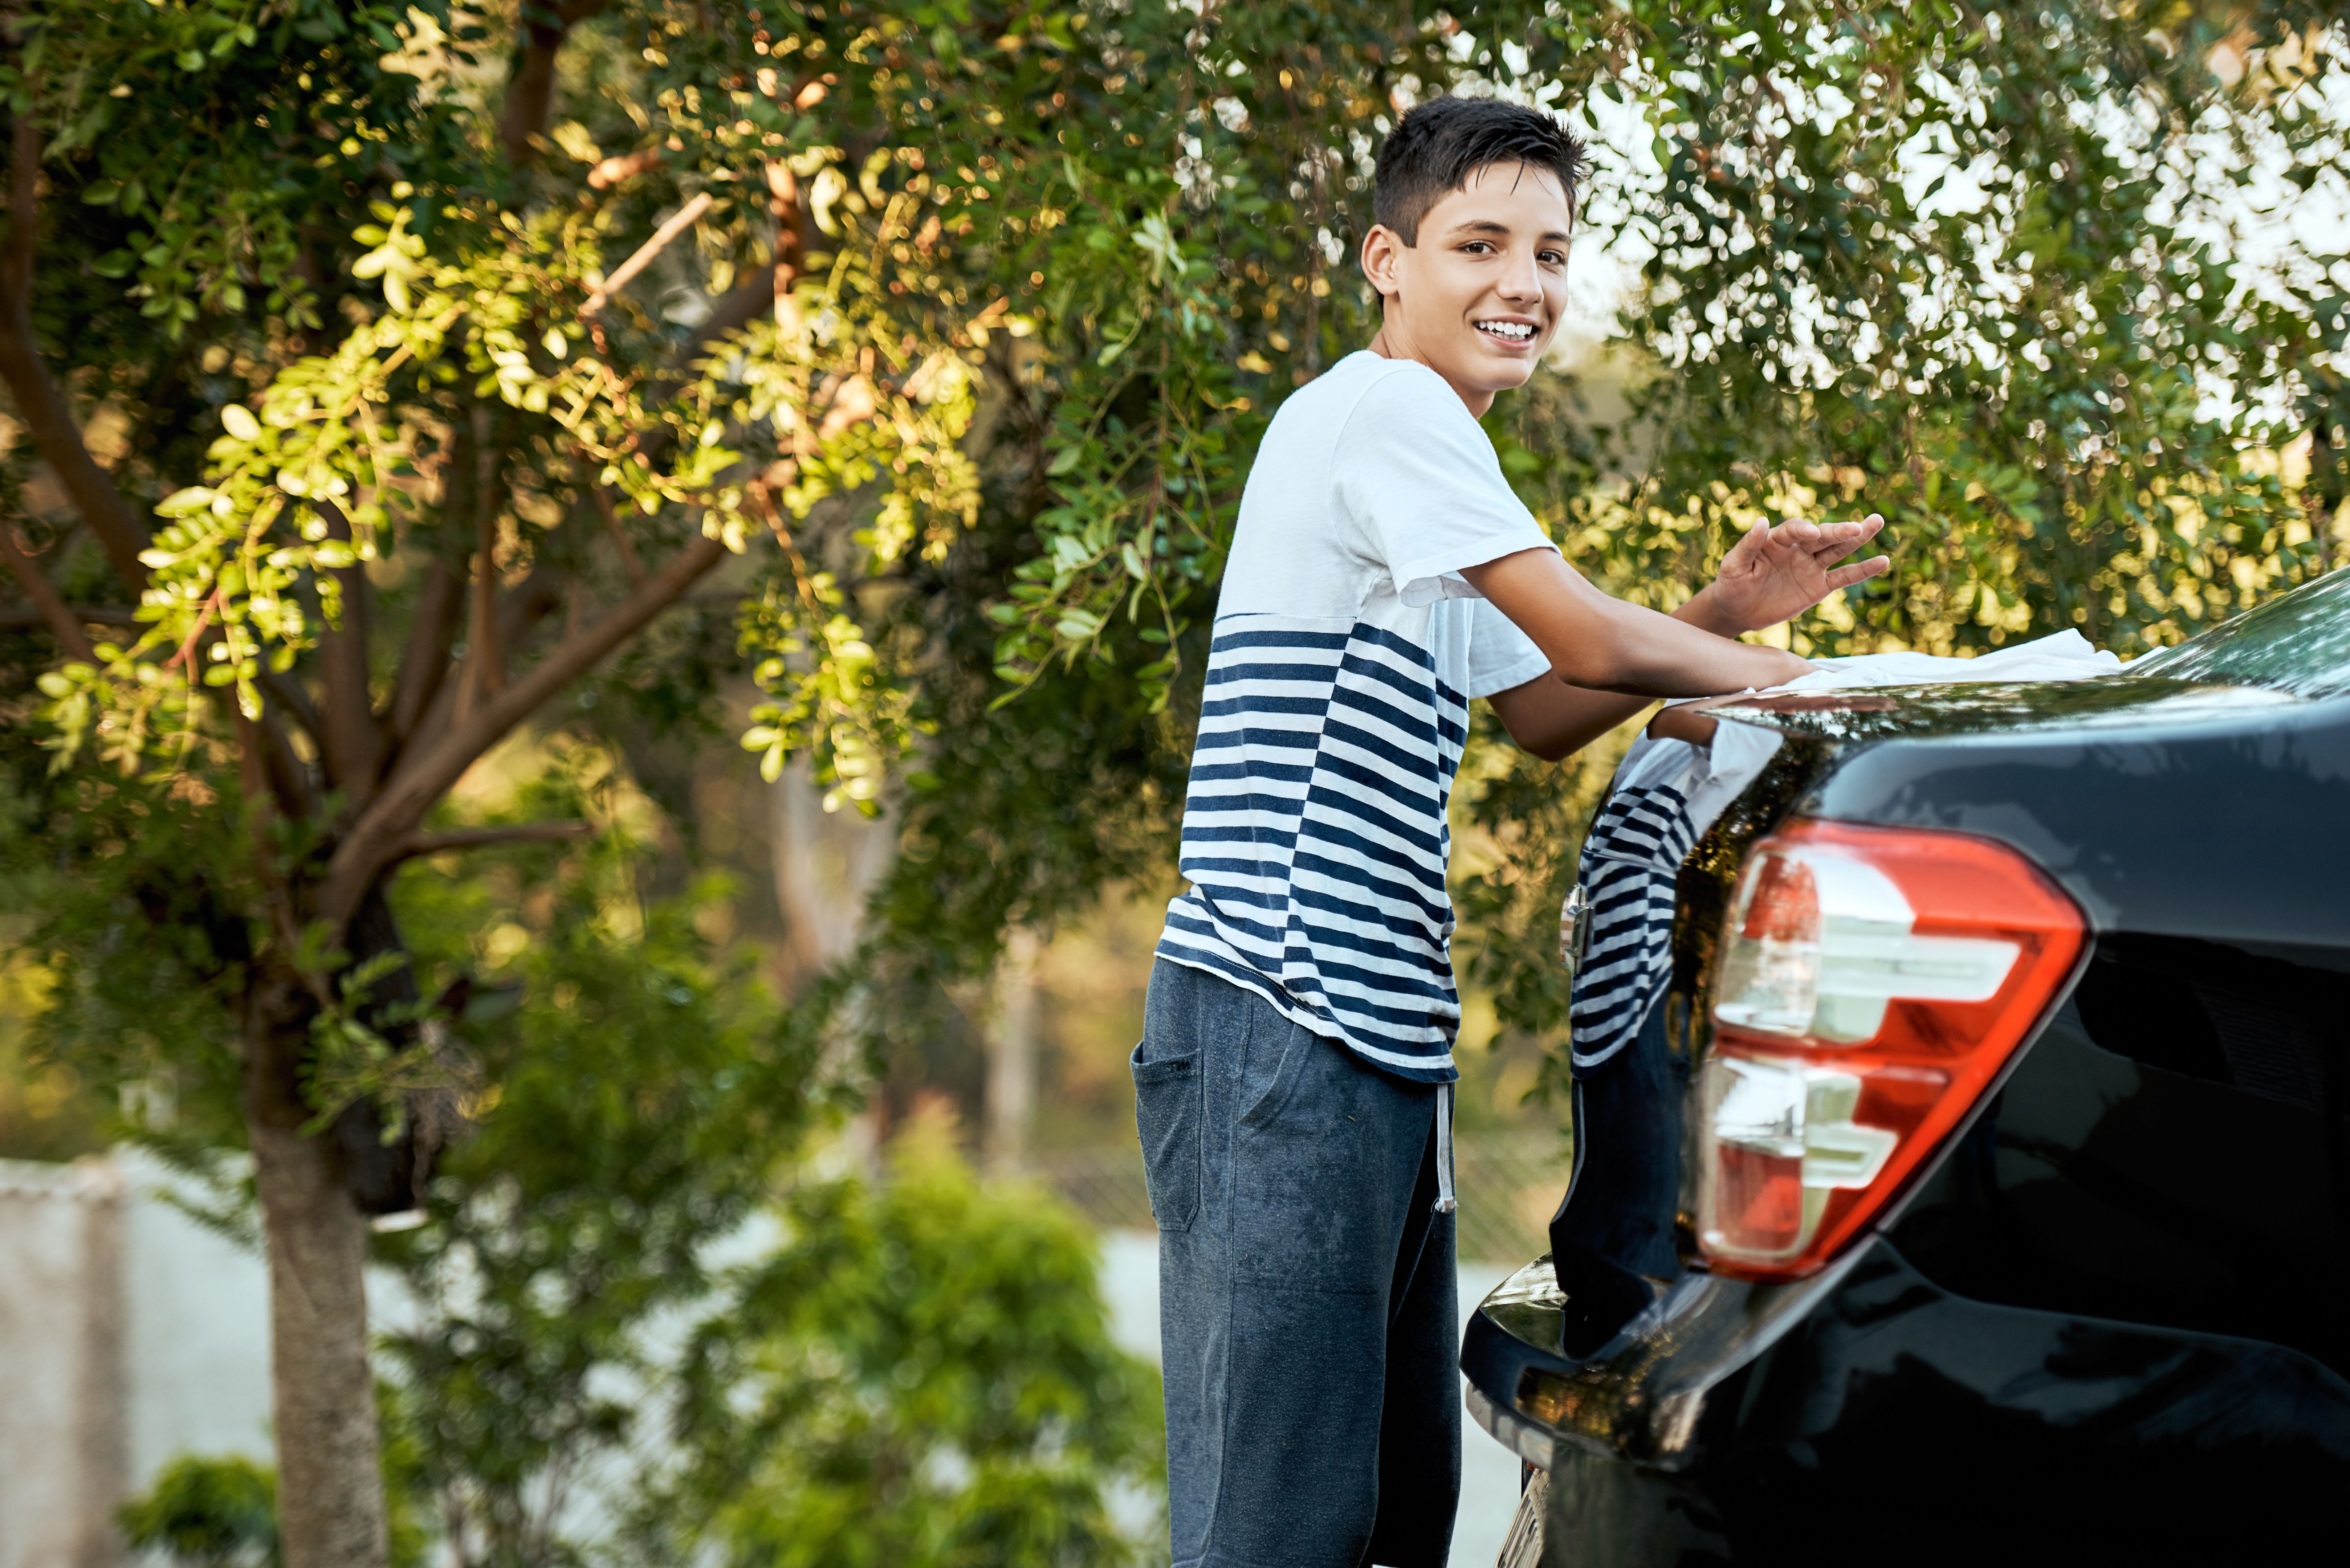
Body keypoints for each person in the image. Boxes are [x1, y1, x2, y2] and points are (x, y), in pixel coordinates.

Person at [1131, 95, 1889, 1568]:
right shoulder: (1385, 411)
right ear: (1383, 259)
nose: (1521, 284)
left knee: (1390, 1515)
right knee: (1279, 1530)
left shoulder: (1429, 465)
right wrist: (1827, 687)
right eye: (1476, 242)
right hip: (1273, 1023)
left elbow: (1544, 702)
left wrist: (1723, 618)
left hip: (1366, 1048)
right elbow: (1575, 626)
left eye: (1548, 251)